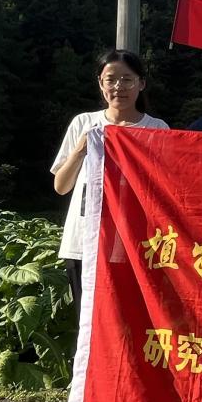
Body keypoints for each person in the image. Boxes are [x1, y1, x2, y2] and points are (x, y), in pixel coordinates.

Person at [51, 49, 170, 308]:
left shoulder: (157, 129)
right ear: (100, 83)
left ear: (141, 83)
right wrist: (81, 149)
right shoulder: (84, 123)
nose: (119, 86)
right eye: (111, 79)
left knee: (131, 319)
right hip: (84, 243)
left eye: (127, 79)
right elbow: (61, 186)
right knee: (88, 321)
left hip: (135, 244)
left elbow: (166, 190)